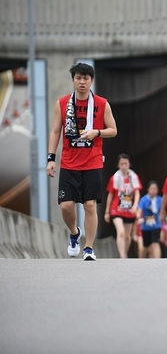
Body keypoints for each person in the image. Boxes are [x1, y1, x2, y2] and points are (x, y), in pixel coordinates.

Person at [46, 62, 117, 261]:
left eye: (86, 78)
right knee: (66, 206)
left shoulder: (102, 104)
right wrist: (51, 158)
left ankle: (89, 248)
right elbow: (55, 132)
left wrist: (97, 132)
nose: (82, 82)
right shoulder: (62, 103)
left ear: (91, 80)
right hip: (69, 163)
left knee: (90, 205)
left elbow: (113, 130)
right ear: (73, 80)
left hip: (93, 162)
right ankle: (74, 233)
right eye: (78, 78)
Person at [104, 154, 142, 258]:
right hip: (116, 209)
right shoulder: (114, 178)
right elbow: (110, 195)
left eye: (126, 163)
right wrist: (107, 211)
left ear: (129, 164)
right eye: (121, 164)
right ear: (118, 165)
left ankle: (124, 252)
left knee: (127, 236)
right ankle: (122, 255)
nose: (124, 166)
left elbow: (137, 192)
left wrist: (135, 205)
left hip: (129, 210)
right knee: (121, 232)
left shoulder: (134, 177)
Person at [136, 181, 163, 259]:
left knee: (155, 244)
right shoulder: (144, 200)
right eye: (151, 188)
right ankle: (142, 260)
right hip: (146, 226)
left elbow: (163, 211)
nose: (153, 190)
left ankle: (157, 261)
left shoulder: (160, 199)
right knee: (145, 246)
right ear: (148, 189)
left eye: (155, 189)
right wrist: (139, 218)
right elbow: (139, 211)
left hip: (156, 225)